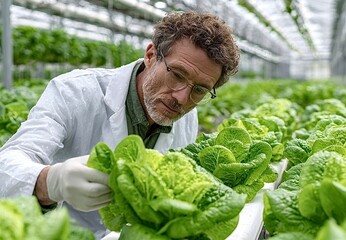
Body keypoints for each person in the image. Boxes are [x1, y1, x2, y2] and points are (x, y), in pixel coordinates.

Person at [0, 11, 240, 239]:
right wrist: (49, 182)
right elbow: (8, 163)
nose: (181, 98)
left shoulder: (187, 117)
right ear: (150, 55)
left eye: (199, 90)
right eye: (177, 74)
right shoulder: (74, 92)